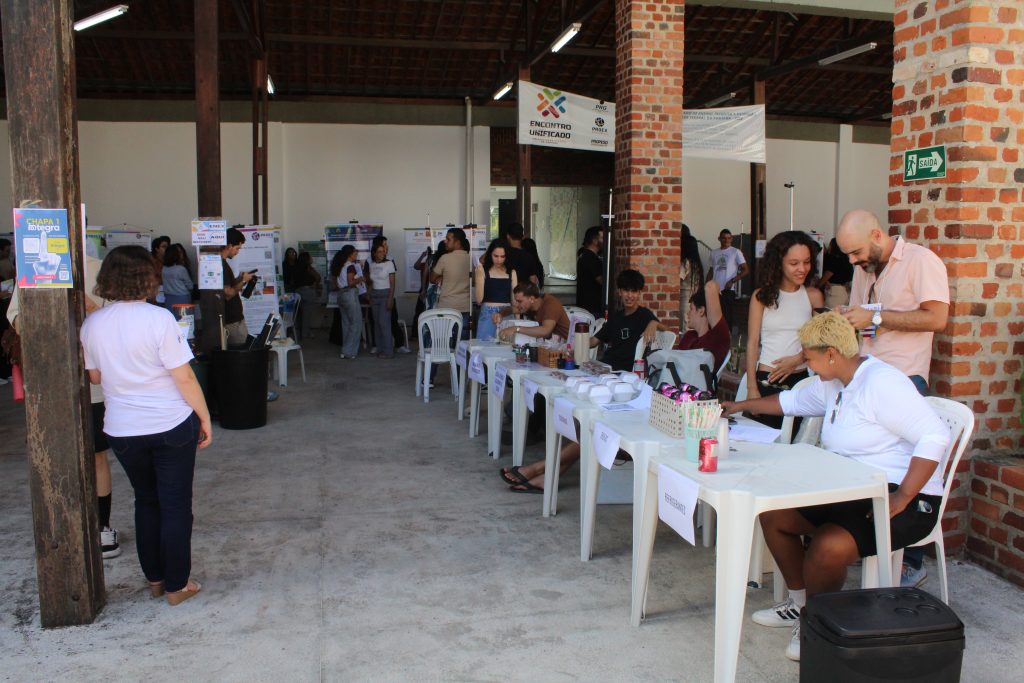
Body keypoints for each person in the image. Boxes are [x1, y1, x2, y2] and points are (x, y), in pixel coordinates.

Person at [721, 312, 949, 662]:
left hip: (904, 496)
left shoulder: (881, 384)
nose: (805, 364)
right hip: (850, 487)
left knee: (828, 546)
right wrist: (739, 406)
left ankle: (817, 623)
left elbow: (935, 435)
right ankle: (801, 606)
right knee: (774, 514)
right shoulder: (835, 381)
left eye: (809, 357)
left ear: (831, 354)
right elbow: (788, 403)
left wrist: (903, 495)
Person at [79, 245, 213, 605]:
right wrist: (203, 416)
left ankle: (155, 580)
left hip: (122, 429)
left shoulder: (92, 325)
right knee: (175, 505)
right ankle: (177, 585)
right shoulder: (159, 319)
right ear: (148, 277)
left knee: (146, 501)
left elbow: (95, 377)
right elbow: (184, 377)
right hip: (170, 424)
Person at [836, 208, 950, 588]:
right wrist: (846, 318)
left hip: (905, 379)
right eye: (848, 255)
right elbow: (861, 319)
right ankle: (870, 542)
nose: (853, 261)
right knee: (867, 462)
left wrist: (876, 318)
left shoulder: (921, 261)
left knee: (904, 468)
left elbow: (936, 318)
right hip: (867, 377)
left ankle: (909, 561)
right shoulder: (863, 269)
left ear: (877, 235)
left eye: (856, 252)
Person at [500, 270, 668, 493]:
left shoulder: (645, 315)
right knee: (578, 417)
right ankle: (545, 477)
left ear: (640, 293)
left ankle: (540, 470)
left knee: (588, 429)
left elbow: (668, 333)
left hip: (623, 386)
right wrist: (573, 343)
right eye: (626, 290)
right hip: (605, 375)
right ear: (619, 292)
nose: (630, 295)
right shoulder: (617, 317)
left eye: (634, 291)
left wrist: (654, 324)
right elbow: (595, 340)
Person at [8, 254, 123, 558]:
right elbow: (16, 319)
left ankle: (101, 526)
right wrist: (42, 317)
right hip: (48, 380)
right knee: (53, 453)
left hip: (94, 382)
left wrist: (82, 301)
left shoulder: (98, 267)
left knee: (96, 453)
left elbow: (116, 322)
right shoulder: (32, 265)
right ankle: (61, 526)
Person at [744, 231, 824, 429]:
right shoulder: (761, 297)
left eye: (807, 262)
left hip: (801, 382)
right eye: (794, 263)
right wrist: (751, 387)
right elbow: (752, 343)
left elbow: (821, 340)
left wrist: (798, 359)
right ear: (778, 263)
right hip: (767, 380)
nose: (802, 269)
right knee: (761, 439)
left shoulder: (813, 296)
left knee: (794, 442)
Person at [678, 280, 731, 373]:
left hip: (696, 382)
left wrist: (719, 294)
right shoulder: (689, 335)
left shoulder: (717, 338)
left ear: (701, 311)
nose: (688, 313)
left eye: (691, 309)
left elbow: (710, 286)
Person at [430, 227, 472, 339]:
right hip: (465, 306)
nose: (445, 241)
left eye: (448, 239)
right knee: (462, 343)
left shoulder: (445, 258)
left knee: (445, 341)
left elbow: (432, 279)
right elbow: (473, 282)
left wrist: (442, 277)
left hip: (447, 307)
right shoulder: (470, 258)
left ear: (457, 242)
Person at [495, 282, 570, 342]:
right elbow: (511, 309)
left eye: (519, 301)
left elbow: (545, 330)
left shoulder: (551, 304)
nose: (517, 304)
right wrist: (500, 314)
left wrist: (516, 329)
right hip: (551, 346)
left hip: (569, 346)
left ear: (531, 299)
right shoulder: (529, 306)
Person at [474, 238, 517, 341]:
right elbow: (479, 300)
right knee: (484, 346)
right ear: (490, 254)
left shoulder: (512, 272)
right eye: (496, 256)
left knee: (507, 347)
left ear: (507, 256)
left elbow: (515, 302)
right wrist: (479, 275)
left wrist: (518, 321)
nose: (499, 260)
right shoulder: (483, 270)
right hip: (488, 313)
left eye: (502, 256)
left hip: (507, 313)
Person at [220, 228, 254, 347]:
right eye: (237, 248)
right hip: (232, 321)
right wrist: (243, 281)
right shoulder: (221, 265)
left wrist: (240, 279)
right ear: (229, 246)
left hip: (233, 319)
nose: (237, 252)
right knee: (241, 351)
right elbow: (228, 294)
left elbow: (229, 287)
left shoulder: (223, 264)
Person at [707, 228, 749, 323]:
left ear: (731, 239)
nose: (727, 240)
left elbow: (746, 270)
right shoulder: (714, 253)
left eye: (729, 238)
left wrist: (732, 281)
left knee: (727, 317)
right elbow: (711, 271)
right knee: (714, 317)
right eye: (724, 238)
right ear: (719, 239)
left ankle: (728, 332)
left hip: (728, 289)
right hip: (715, 289)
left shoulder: (736, 252)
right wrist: (707, 285)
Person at [336, 245, 367, 359]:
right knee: (356, 323)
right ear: (349, 254)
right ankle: (349, 351)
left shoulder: (340, 265)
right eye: (354, 252)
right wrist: (361, 279)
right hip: (350, 295)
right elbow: (350, 282)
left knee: (346, 324)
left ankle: (345, 351)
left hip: (341, 294)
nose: (356, 254)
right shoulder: (350, 266)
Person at [367, 242, 396, 358]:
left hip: (385, 295)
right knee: (377, 324)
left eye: (383, 251)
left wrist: (390, 299)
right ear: (374, 253)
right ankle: (379, 348)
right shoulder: (371, 265)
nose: (382, 254)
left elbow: (392, 283)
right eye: (379, 252)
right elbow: (371, 282)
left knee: (384, 323)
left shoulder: (389, 264)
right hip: (374, 295)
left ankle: (388, 351)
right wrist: (369, 295)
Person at [576, 226, 605, 319]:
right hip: (592, 308)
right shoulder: (591, 258)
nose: (604, 241)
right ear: (594, 240)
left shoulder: (585, 255)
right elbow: (602, 281)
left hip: (586, 305)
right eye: (602, 238)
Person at [679, 224, 704, 330]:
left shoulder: (686, 262)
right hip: (693, 295)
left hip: (684, 296)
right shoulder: (696, 263)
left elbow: (678, 278)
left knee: (684, 323)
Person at [294, 251, 322, 341]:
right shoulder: (309, 268)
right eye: (310, 257)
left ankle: (298, 332)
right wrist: (315, 283)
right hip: (308, 291)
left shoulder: (296, 268)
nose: (312, 258)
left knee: (299, 314)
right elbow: (318, 277)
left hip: (297, 292)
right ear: (307, 259)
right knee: (307, 314)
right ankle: (305, 333)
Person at [820, 237, 853, 310]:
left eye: (830, 245)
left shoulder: (834, 260)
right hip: (845, 292)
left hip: (835, 292)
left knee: (831, 315)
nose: (828, 247)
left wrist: (817, 286)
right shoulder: (846, 260)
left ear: (834, 247)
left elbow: (827, 276)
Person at [505, 223, 542, 287]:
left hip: (505, 290)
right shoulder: (529, 257)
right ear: (522, 237)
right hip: (522, 291)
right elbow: (533, 280)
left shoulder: (503, 254)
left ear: (508, 236)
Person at [161, 244, 194, 310]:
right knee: (183, 315)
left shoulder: (164, 268)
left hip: (168, 297)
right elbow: (190, 286)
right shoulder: (181, 269)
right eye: (180, 253)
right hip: (182, 297)